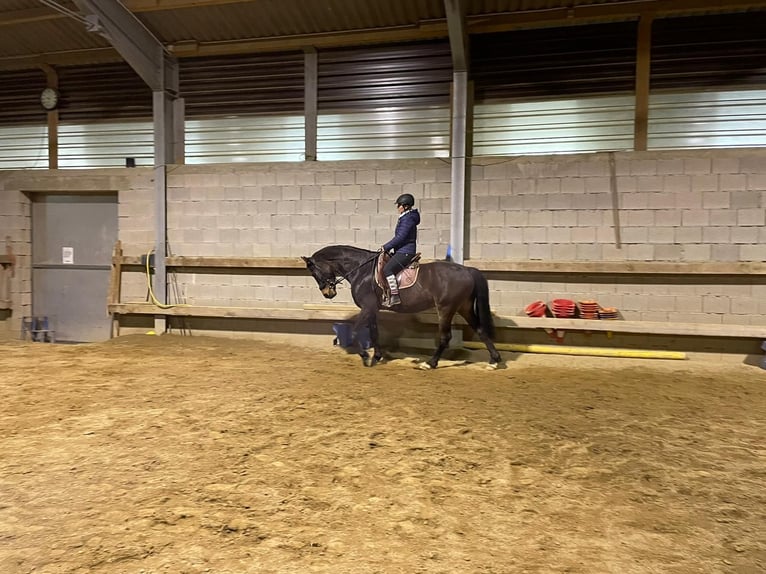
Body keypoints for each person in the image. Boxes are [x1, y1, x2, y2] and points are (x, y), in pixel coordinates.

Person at [380, 193, 420, 307]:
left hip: (405, 251)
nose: (398, 207)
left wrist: (386, 247)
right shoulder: (406, 217)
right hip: (401, 250)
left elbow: (400, 237)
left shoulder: (407, 219)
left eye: (399, 205)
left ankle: (395, 295)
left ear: (405, 206)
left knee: (387, 269)